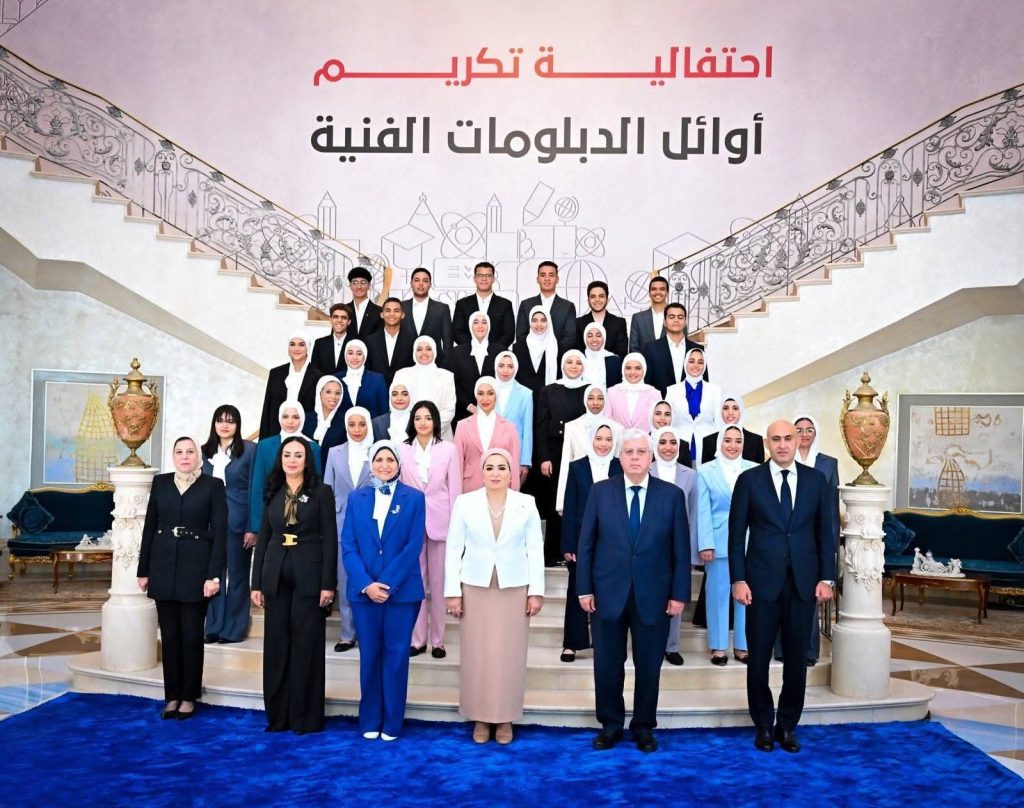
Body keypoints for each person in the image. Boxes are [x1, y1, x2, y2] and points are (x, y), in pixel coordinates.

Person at [576, 430, 690, 753]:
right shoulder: (600, 492)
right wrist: (584, 589)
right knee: (607, 665)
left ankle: (643, 726)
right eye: (629, 452)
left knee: (649, 665)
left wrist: (679, 593)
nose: (636, 457)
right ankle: (610, 724)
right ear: (620, 457)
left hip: (654, 595)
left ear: (651, 457)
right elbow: (586, 544)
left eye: (641, 451)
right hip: (607, 594)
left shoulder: (671, 495)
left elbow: (681, 549)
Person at [729, 420, 837, 754]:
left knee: (796, 659)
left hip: (803, 584)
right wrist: (738, 579)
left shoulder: (816, 481)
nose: (783, 444)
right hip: (760, 583)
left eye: (789, 438)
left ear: (798, 440)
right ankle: (763, 724)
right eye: (776, 439)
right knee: (758, 658)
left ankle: (788, 725)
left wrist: (827, 577)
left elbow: (826, 532)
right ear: (767, 443)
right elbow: (736, 535)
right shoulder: (749, 480)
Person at [445, 448, 544, 744]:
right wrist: (452, 592)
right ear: (481, 472)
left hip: (514, 588)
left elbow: (535, 549)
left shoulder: (526, 503)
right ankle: (480, 716)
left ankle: (505, 718)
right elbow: (454, 548)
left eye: (502, 467)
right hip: (475, 587)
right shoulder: (465, 503)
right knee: (477, 654)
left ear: (512, 472)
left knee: (509, 655)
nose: (496, 473)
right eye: (489, 467)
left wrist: (536, 591)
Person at [251, 436, 337, 734]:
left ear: (307, 460)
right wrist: (256, 583)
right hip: (275, 575)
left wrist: (328, 583)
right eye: (287, 454)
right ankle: (279, 716)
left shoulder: (322, 492)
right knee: (277, 645)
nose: (292, 460)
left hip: (310, 576)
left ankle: (305, 718)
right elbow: (264, 537)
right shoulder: (273, 490)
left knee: (306, 645)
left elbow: (330, 539)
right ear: (280, 459)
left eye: (298, 455)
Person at [341, 440, 426, 740]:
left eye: (390, 460)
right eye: (379, 460)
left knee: (396, 655)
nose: (385, 465)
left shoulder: (414, 498)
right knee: (370, 655)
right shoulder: (356, 498)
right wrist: (366, 584)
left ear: (399, 464)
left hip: (401, 593)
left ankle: (392, 722)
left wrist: (386, 584)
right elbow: (348, 545)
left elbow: (413, 546)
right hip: (364, 593)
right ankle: (369, 719)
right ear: (371, 464)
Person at [137, 436, 227, 720]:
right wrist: (143, 570)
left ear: (198, 456)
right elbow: (149, 527)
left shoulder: (213, 486)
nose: (185, 456)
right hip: (162, 567)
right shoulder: (161, 483)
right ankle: (172, 696)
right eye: (179, 452)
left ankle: (188, 696)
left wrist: (214, 576)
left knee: (191, 636)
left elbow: (220, 534)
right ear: (173, 456)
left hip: (196, 569)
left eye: (190, 452)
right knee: (170, 637)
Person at [775, 413, 841, 666]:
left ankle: (808, 650)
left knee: (808, 596)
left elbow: (831, 508)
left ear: (816, 433)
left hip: (812, 540)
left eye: (809, 429)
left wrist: (830, 545)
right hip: (784, 536)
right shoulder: (782, 458)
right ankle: (782, 648)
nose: (804, 434)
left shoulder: (828, 463)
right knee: (781, 593)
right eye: (799, 430)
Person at [400, 401, 463, 658]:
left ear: (435, 421)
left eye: (427, 417)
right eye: (418, 418)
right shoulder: (401, 449)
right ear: (412, 421)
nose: (423, 422)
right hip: (410, 523)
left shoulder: (449, 449)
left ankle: (438, 640)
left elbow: (455, 488)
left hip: (441, 521)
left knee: (439, 585)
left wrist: (457, 524)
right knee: (415, 584)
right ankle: (418, 640)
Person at [560, 422, 621, 663]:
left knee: (608, 592)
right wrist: (568, 544)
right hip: (581, 540)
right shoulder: (577, 467)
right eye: (599, 438)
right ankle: (571, 643)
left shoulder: (620, 466)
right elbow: (570, 504)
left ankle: (603, 641)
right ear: (591, 440)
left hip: (612, 541)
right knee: (577, 590)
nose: (603, 444)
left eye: (608, 439)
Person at [699, 426, 757, 666]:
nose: (733, 445)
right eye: (728, 440)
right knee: (718, 595)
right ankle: (718, 647)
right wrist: (705, 543)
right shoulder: (705, 471)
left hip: (750, 542)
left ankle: (743, 646)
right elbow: (702, 510)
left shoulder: (754, 469)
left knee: (746, 595)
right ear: (719, 443)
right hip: (718, 542)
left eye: (738, 441)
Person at [200, 405, 256, 645]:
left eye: (230, 421)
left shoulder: (250, 451)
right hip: (210, 523)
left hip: (239, 522)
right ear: (214, 423)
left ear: (237, 425)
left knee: (238, 576)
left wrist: (253, 526)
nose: (225, 425)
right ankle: (213, 626)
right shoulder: (204, 452)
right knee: (214, 575)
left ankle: (234, 629)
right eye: (220, 420)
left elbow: (255, 490)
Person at [323, 406, 374, 653]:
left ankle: (367, 633)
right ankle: (347, 634)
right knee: (344, 580)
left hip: (371, 523)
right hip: (340, 521)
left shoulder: (377, 451)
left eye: (362, 424)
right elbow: (327, 490)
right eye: (352, 424)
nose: (357, 429)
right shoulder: (334, 452)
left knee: (368, 577)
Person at [533, 350, 589, 566]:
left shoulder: (590, 390)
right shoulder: (549, 390)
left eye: (578, 363)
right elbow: (541, 425)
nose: (574, 366)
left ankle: (574, 550)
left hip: (580, 451)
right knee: (554, 503)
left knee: (576, 502)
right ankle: (552, 554)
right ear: (562, 365)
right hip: (555, 453)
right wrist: (544, 457)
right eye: (569, 362)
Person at [649, 426, 699, 666]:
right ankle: (652, 644)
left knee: (675, 593)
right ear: (655, 445)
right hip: (649, 544)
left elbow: (694, 513)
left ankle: (671, 646)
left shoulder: (690, 475)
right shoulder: (645, 469)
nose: (668, 447)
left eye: (673, 443)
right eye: (663, 442)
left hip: (678, 544)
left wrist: (691, 551)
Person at [249, 402, 322, 538]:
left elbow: (316, 485)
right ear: (279, 418)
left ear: (302, 419)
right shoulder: (265, 446)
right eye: (285, 416)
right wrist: (256, 526)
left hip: (303, 516)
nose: (290, 421)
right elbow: (258, 486)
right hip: (271, 514)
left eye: (295, 417)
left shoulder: (313, 448)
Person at [555, 384, 622, 514]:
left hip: (609, 490)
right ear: (585, 399)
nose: (595, 403)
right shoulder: (572, 427)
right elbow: (565, 464)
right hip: (580, 487)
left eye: (600, 398)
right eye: (591, 398)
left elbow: (618, 463)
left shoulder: (617, 428)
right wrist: (561, 502)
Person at [453, 377, 522, 492]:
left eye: (490, 393)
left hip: (501, 490)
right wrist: (457, 496)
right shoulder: (462, 426)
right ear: (476, 396)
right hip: (470, 489)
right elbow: (457, 465)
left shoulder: (510, 427)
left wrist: (514, 494)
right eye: (481, 393)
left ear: (496, 396)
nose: (485, 398)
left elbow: (514, 466)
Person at [444, 311, 504, 425]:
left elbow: (504, 383)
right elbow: (452, 384)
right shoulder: (456, 353)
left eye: (484, 322)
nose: (480, 326)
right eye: (476, 322)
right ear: (470, 326)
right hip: (463, 415)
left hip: (495, 414)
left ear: (489, 326)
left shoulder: (501, 351)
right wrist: (469, 406)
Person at [392, 336, 457, 440]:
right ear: (414, 352)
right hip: (407, 435)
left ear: (434, 351)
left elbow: (449, 410)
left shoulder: (447, 376)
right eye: (419, 349)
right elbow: (395, 404)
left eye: (428, 349)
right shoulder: (401, 374)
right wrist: (414, 429)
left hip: (440, 435)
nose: (424, 353)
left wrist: (430, 429)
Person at [258, 335, 323, 438]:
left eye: (301, 345)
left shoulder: (319, 377)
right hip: (276, 433)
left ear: (308, 348)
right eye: (292, 344)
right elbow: (267, 408)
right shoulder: (276, 373)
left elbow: (319, 411)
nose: (296, 348)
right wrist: (263, 440)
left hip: (305, 435)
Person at [666, 347, 721, 466]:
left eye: (700, 362)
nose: (696, 365)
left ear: (704, 365)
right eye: (691, 361)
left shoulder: (715, 391)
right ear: (685, 363)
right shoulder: (672, 391)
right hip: (680, 445)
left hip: (708, 446)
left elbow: (719, 422)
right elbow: (668, 422)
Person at [641, 302, 705, 395]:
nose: (676, 320)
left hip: (690, 402)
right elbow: (646, 383)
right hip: (660, 401)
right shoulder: (651, 349)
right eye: (671, 317)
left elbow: (704, 382)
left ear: (685, 322)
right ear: (665, 322)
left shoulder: (697, 348)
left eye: (680, 317)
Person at [514, 260, 578, 353]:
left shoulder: (568, 306)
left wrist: (552, 354)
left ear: (557, 279)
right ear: (537, 279)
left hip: (559, 357)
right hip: (531, 358)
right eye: (543, 275)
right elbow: (521, 336)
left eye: (551, 275)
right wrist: (536, 354)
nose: (547, 279)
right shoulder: (526, 305)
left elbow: (570, 337)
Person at [492, 350, 533, 488]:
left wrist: (525, 462)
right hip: (490, 450)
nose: (505, 370)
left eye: (510, 366)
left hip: (515, 451)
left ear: (516, 368)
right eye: (501, 365)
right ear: (496, 367)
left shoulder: (526, 394)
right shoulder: (486, 390)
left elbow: (527, 430)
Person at [453, 261, 515, 348]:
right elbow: (457, 332)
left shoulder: (505, 304)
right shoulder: (462, 304)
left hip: (496, 353)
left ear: (493, 279)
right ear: (474, 279)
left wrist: (492, 350)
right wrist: (474, 348)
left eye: (488, 275)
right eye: (480, 275)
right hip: (468, 353)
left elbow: (509, 334)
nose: (484, 279)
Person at [401, 267, 455, 357]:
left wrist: (446, 362)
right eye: (417, 280)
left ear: (430, 284)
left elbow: (448, 341)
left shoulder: (442, 308)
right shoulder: (400, 307)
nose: (421, 284)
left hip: (434, 361)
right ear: (411, 283)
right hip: (404, 361)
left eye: (425, 281)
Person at [702, 394, 766, 464]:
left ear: (741, 411)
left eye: (735, 408)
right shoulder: (708, 441)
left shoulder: (756, 441)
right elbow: (705, 469)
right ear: (720, 411)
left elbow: (761, 470)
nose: (730, 413)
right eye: (725, 408)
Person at [365, 297, 416, 385]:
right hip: (377, 388)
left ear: (402, 315)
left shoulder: (412, 340)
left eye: (396, 311)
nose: (392, 314)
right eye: (387, 310)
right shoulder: (370, 340)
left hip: (403, 389)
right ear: (382, 315)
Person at [606, 353, 662, 431]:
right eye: (628, 368)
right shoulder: (611, 392)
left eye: (638, 368)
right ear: (623, 369)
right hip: (618, 438)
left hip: (646, 438)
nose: (633, 372)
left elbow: (658, 424)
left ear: (644, 369)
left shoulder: (655, 394)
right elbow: (607, 421)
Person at [512, 305, 560, 394]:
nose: (539, 324)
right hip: (523, 399)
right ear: (530, 323)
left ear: (548, 322)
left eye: (543, 320)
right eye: (534, 320)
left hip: (547, 399)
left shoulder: (556, 348)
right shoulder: (517, 348)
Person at [303, 377, 347, 473]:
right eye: (328, 392)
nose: (333, 397)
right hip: (306, 474)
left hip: (332, 474)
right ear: (319, 392)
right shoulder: (305, 419)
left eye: (337, 393)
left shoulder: (345, 422)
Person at [576, 280, 628, 358]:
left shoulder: (619, 323)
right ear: (588, 300)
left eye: (601, 296)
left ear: (607, 299)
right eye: (593, 296)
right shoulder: (578, 323)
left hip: (611, 365)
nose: (597, 299)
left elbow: (621, 354)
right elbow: (578, 353)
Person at [337, 339, 389, 418]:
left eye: (359, 354)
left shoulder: (378, 379)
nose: (354, 357)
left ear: (365, 356)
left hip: (372, 425)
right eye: (350, 353)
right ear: (345, 355)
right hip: (341, 426)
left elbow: (384, 411)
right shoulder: (335, 379)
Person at [627, 275, 669, 353]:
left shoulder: (677, 317)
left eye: (662, 289)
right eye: (654, 289)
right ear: (649, 293)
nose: (658, 292)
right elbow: (633, 349)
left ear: (667, 293)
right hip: (644, 361)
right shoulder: (638, 318)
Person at [580, 322, 623, 389]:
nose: (594, 339)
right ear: (585, 338)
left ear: (604, 338)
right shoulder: (579, 359)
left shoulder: (614, 360)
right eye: (590, 336)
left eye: (598, 336)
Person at [344, 266, 382, 341]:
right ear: (350, 286)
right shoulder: (343, 310)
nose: (359, 286)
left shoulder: (379, 311)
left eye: (363, 282)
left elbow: (381, 339)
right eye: (355, 283)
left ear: (369, 286)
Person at [311, 303, 351, 374]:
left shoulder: (356, 343)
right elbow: (314, 371)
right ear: (330, 320)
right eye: (336, 317)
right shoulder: (319, 343)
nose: (339, 320)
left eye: (343, 317)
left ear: (349, 322)